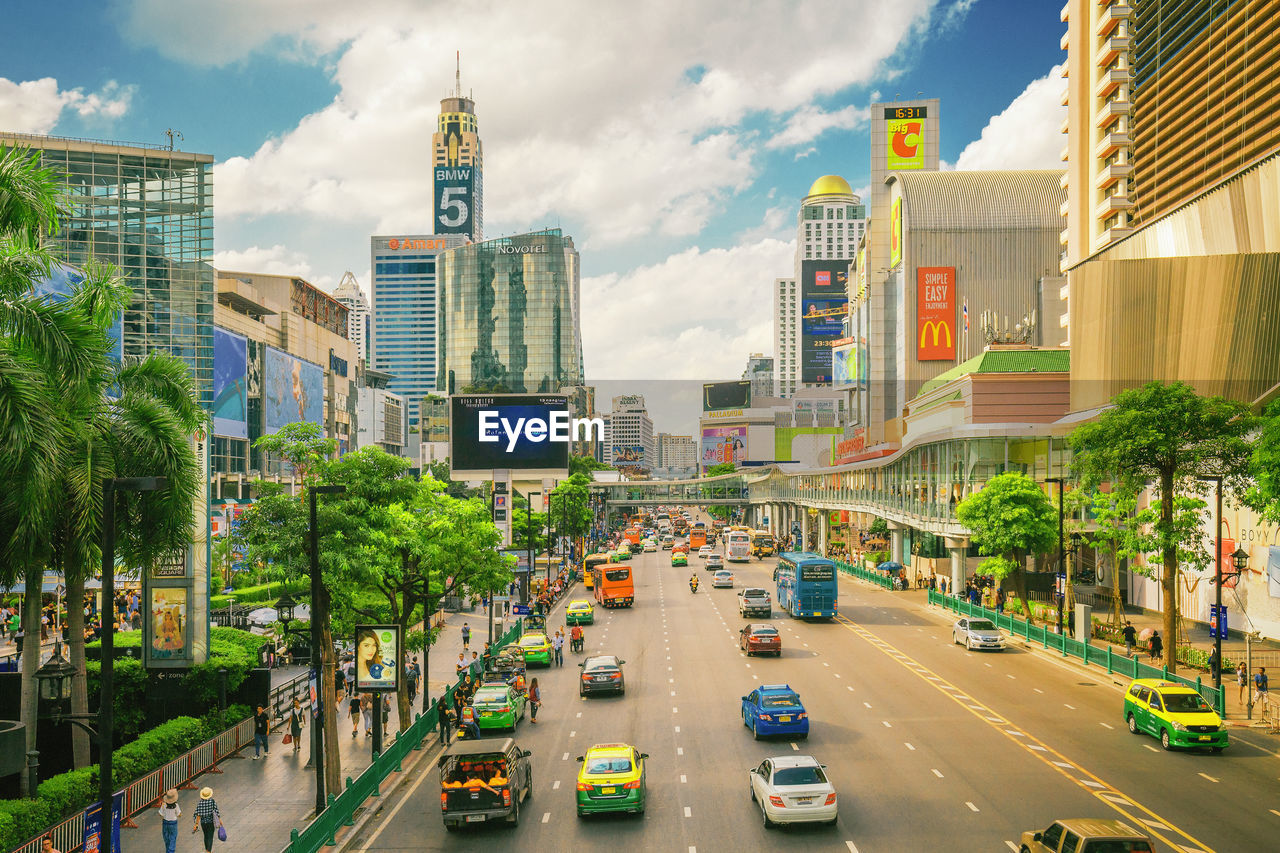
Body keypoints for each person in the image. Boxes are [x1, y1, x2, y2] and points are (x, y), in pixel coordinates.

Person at [192, 787, 223, 853]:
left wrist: (196, 824)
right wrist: (219, 820)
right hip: (210, 822)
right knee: (210, 837)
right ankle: (208, 851)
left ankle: (207, 850)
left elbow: (198, 814)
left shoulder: (200, 803)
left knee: (206, 836)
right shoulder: (212, 801)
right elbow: (216, 811)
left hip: (203, 823)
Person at [158, 788, 181, 853]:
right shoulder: (176, 805)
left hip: (165, 822)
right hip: (173, 823)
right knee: (173, 838)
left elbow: (160, 814)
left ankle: (167, 850)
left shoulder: (163, 805)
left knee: (166, 838)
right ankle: (170, 851)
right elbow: (179, 814)